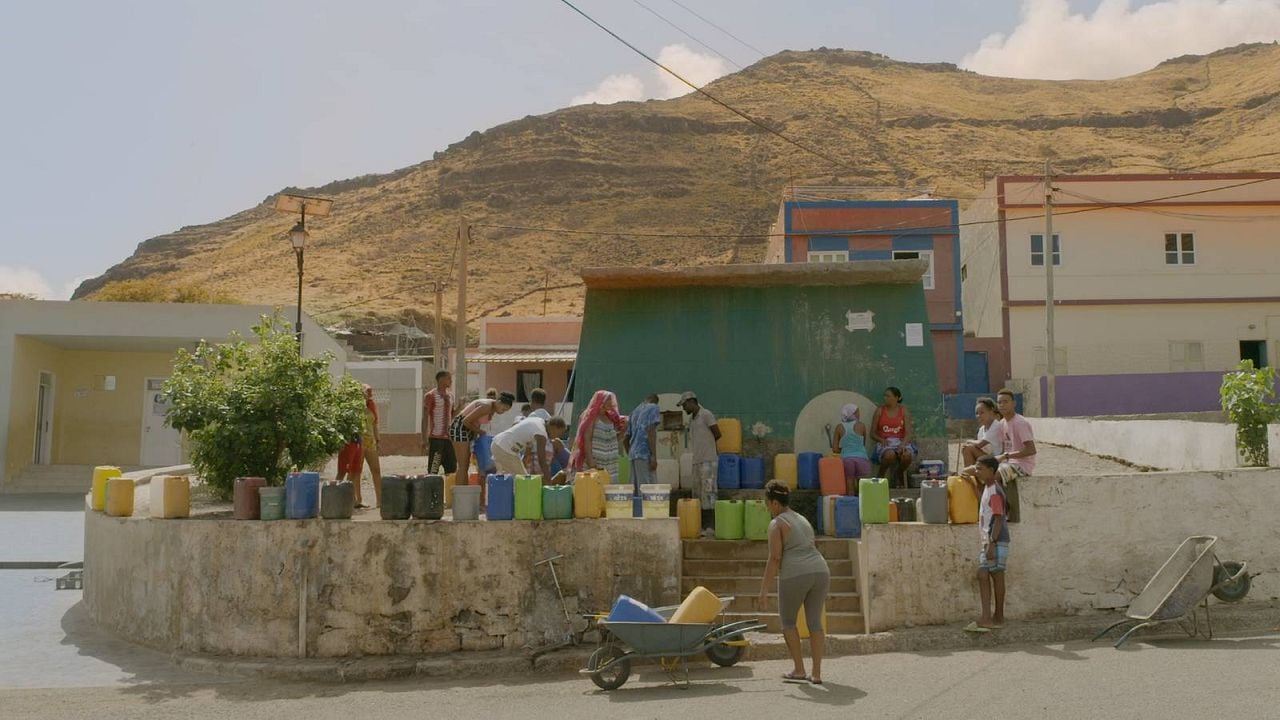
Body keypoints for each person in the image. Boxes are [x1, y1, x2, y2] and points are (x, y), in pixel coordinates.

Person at [758, 480, 830, 684]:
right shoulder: (801, 518)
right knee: (815, 622)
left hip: (796, 573)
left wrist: (764, 590)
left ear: (774, 503)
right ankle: (816, 673)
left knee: (788, 622)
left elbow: (775, 558)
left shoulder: (777, 523)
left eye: (767, 503)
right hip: (821, 570)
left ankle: (799, 669)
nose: (767, 508)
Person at [965, 455, 1010, 632]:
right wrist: (971, 483)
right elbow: (986, 506)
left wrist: (991, 542)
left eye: (979, 468)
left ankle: (990, 617)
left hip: (995, 539)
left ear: (991, 470)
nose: (977, 471)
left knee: (987, 574)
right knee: (991, 575)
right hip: (991, 539)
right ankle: (995, 616)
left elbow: (998, 517)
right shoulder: (988, 488)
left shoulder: (995, 491)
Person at [450, 392, 515, 486]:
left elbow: (476, 422)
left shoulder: (492, 408)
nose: (502, 412)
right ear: (499, 402)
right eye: (503, 409)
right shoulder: (486, 406)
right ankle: (460, 495)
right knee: (463, 465)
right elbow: (465, 421)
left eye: (505, 411)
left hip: (469, 430)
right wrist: (480, 432)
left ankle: (463, 491)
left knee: (466, 464)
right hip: (459, 428)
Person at [680, 391, 721, 531]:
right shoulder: (692, 419)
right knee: (697, 493)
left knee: (708, 493)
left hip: (708, 460)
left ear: (692, 402)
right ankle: (700, 525)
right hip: (697, 460)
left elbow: (717, 433)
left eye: (684, 405)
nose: (684, 408)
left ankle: (710, 526)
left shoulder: (706, 415)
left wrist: (708, 447)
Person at [568, 390, 627, 482]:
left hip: (610, 462)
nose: (611, 402)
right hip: (596, 462)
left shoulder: (611, 418)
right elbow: (587, 439)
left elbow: (614, 439)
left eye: (611, 400)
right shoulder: (591, 417)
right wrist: (590, 458)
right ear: (601, 401)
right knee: (595, 488)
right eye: (608, 400)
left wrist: (623, 431)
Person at [994, 388, 1034, 523]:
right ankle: (996, 511)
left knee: (997, 475)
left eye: (1005, 402)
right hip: (1009, 463)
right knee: (985, 473)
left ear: (1013, 403)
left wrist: (1006, 456)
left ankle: (1009, 513)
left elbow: (1031, 450)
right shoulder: (1002, 423)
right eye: (999, 402)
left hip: (1022, 464)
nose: (1002, 405)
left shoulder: (1020, 423)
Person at [491, 415, 568, 483]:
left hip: (498, 444)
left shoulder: (538, 420)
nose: (557, 437)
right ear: (553, 428)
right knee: (523, 481)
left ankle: (504, 499)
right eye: (559, 433)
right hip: (504, 449)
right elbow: (542, 460)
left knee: (506, 481)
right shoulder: (541, 434)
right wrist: (549, 482)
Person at [870, 386, 917, 488]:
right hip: (886, 442)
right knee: (889, 455)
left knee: (907, 455)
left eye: (888, 396)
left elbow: (908, 433)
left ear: (897, 398)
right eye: (885, 396)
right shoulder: (880, 411)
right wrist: (881, 439)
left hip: (901, 441)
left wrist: (903, 444)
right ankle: (881, 475)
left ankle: (898, 473)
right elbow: (872, 433)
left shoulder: (903, 411)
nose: (885, 398)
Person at [623, 394, 661, 496]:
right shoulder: (653, 407)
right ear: (655, 401)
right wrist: (653, 456)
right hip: (644, 454)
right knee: (648, 489)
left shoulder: (634, 412)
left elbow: (625, 439)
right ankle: (647, 512)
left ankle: (637, 511)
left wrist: (631, 453)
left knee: (635, 489)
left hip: (633, 455)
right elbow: (651, 432)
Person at [423, 371, 456, 482]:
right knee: (434, 469)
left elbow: (452, 414)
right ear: (441, 379)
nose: (450, 381)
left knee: (452, 468)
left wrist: (460, 406)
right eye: (448, 378)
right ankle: (432, 495)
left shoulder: (451, 395)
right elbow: (425, 417)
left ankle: (450, 496)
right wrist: (424, 439)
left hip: (448, 439)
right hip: (436, 439)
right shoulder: (430, 396)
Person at [961, 396, 1004, 469]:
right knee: (967, 448)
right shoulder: (982, 429)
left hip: (998, 459)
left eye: (982, 413)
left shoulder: (996, 425)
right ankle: (971, 474)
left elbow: (980, 444)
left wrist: (968, 441)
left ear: (991, 412)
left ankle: (969, 474)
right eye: (977, 413)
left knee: (968, 448)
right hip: (988, 457)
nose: (979, 416)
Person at [831, 403, 870, 482]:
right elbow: (862, 445)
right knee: (862, 485)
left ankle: (850, 494)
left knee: (849, 482)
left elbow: (834, 449)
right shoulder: (861, 425)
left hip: (847, 459)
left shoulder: (839, 427)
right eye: (857, 412)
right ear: (853, 413)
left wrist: (846, 449)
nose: (859, 414)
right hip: (861, 458)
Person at [360, 385, 383, 507]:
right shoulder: (355, 407)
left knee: (376, 470)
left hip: (370, 441)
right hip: (358, 441)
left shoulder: (371, 406)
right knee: (356, 471)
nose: (368, 395)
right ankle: (356, 499)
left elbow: (374, 424)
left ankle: (380, 500)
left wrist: (378, 440)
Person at [335, 432, 363, 505]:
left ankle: (351, 499)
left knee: (355, 471)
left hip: (357, 441)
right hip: (347, 441)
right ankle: (334, 497)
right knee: (342, 471)